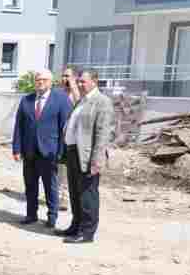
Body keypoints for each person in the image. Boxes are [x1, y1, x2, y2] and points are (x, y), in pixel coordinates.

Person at [62, 68, 116, 244]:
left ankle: (87, 232)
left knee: (87, 194)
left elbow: (102, 133)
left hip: (87, 156)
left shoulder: (102, 102)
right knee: (74, 192)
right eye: (78, 81)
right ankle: (76, 225)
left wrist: (97, 159)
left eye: (83, 81)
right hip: (72, 152)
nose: (79, 84)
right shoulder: (82, 101)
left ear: (94, 81)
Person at [12, 69, 71, 229]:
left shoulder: (61, 100)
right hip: (29, 150)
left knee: (50, 185)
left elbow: (64, 128)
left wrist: (62, 151)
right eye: (38, 80)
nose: (40, 83)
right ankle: (31, 214)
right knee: (30, 185)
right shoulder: (27, 100)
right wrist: (16, 148)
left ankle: (52, 216)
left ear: (51, 82)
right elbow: (19, 126)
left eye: (44, 80)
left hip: (49, 151)